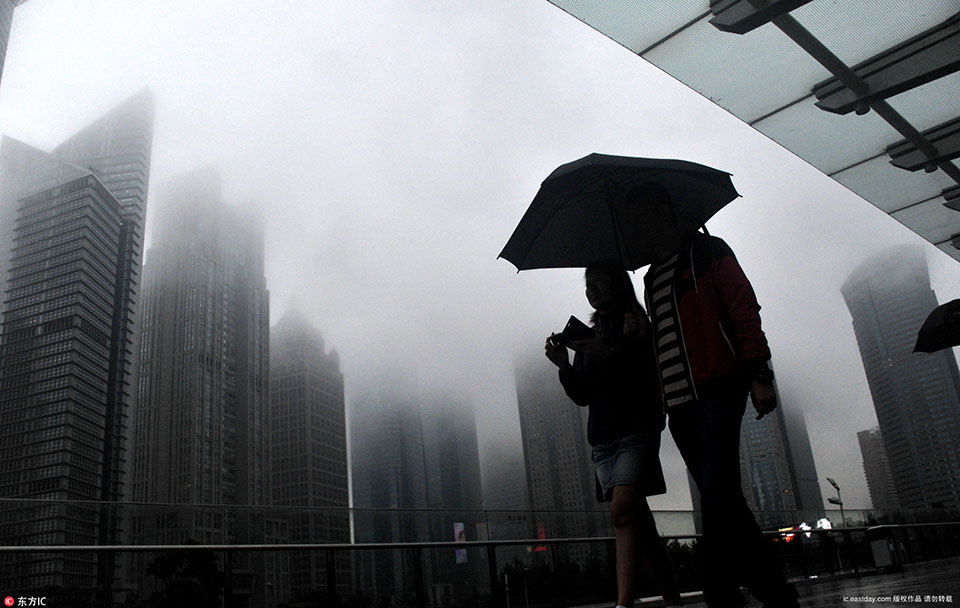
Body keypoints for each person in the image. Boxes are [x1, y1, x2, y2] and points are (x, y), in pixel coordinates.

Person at [638, 182, 800, 608]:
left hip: (718, 390)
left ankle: (719, 593)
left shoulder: (708, 252)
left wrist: (759, 372)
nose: (645, 228)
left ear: (667, 215)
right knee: (726, 497)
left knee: (714, 493)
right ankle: (775, 592)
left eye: (649, 216)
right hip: (679, 406)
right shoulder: (652, 278)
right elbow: (663, 343)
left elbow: (743, 307)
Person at [545, 259, 683, 608]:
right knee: (642, 528)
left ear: (616, 284)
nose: (590, 289)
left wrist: (610, 350)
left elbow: (642, 376)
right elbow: (582, 395)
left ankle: (623, 604)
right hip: (604, 440)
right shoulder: (593, 335)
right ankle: (673, 600)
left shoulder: (635, 325)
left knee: (622, 511)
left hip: (636, 431)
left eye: (597, 281)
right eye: (586, 283)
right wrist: (564, 365)